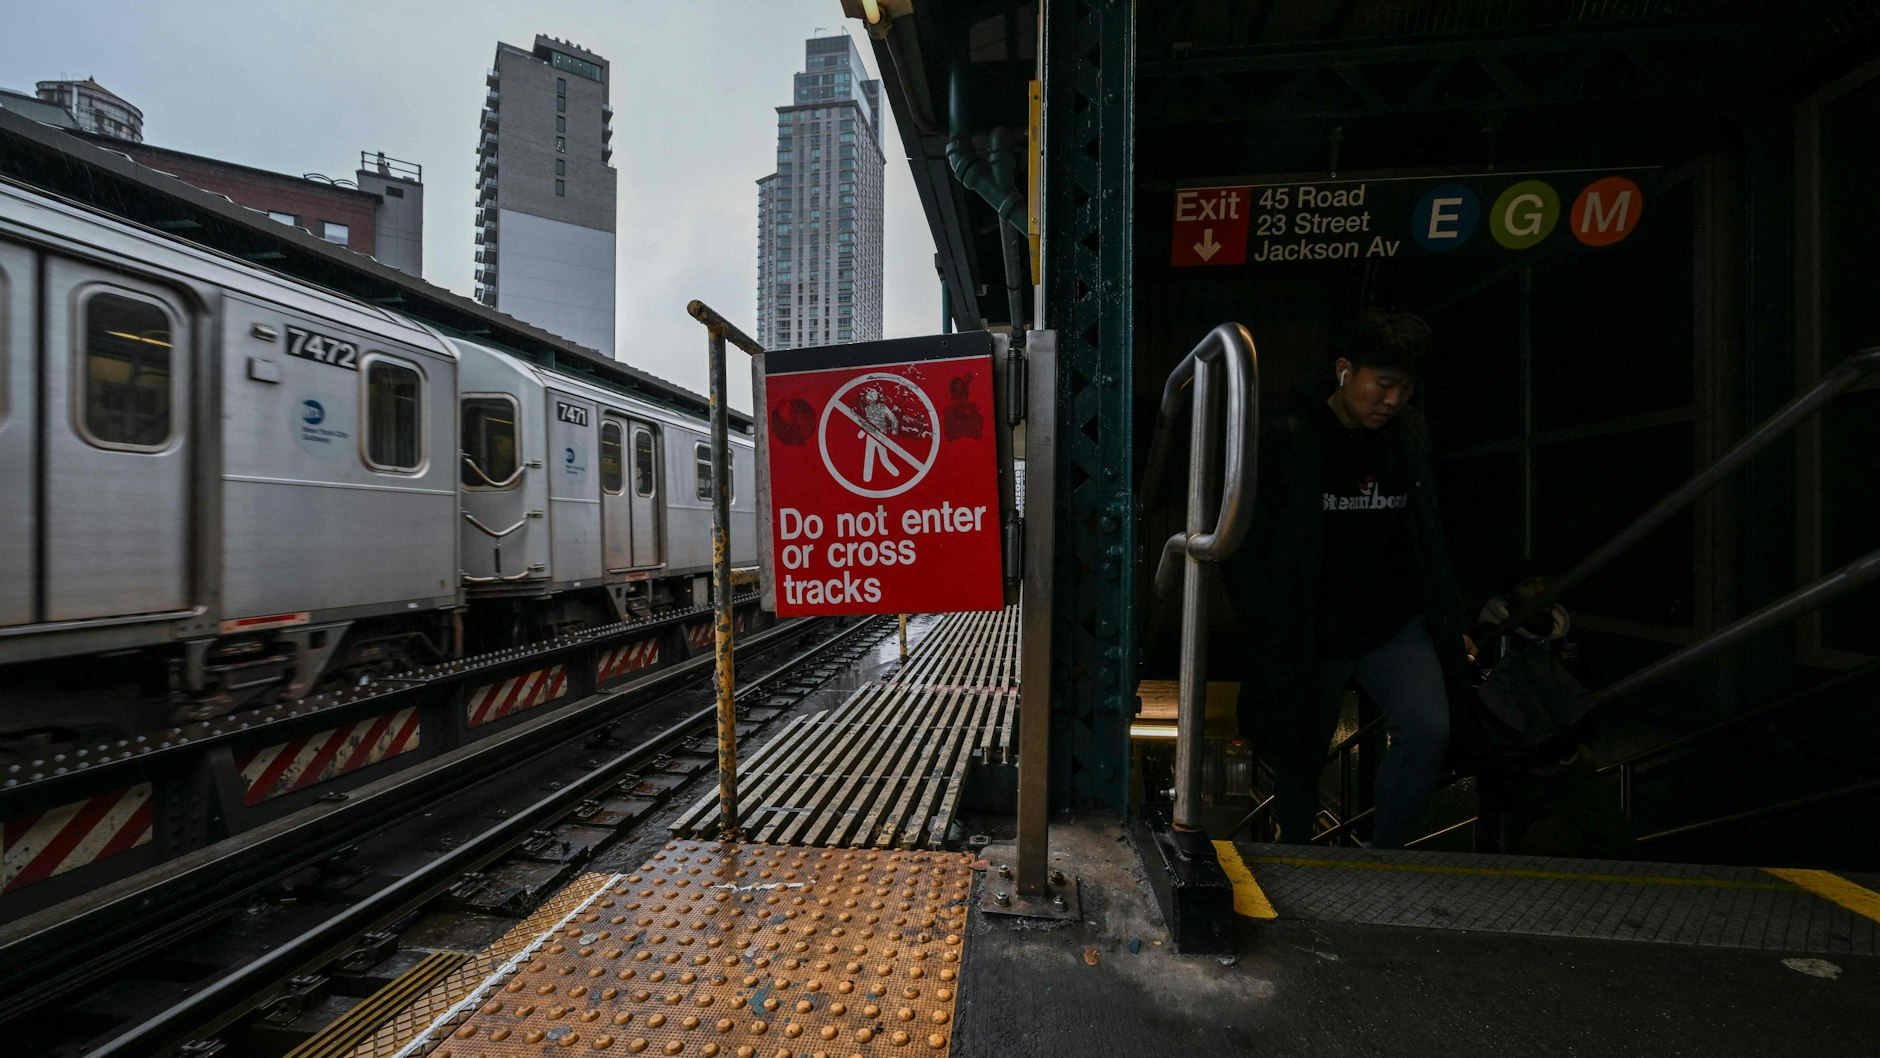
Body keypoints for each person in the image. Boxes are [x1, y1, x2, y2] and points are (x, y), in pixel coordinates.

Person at [1230, 308, 1474, 848]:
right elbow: (1250, 541)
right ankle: (1296, 854)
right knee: (1302, 750)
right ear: (1346, 371)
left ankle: (1383, 856)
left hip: (1390, 621)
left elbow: (1429, 528)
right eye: (1383, 385)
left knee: (1429, 728)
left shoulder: (1406, 434)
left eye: (1405, 389)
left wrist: (1451, 616)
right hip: (1313, 623)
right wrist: (1267, 617)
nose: (1393, 400)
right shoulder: (1291, 436)